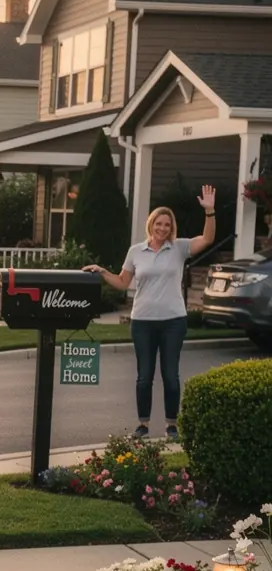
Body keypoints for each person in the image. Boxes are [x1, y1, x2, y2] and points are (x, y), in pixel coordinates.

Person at [83, 185, 216, 440]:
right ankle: (143, 424)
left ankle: (171, 425)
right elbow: (123, 282)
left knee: (170, 375)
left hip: (173, 322)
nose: (163, 228)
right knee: (144, 377)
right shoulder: (136, 251)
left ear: (171, 227)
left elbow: (207, 239)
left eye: (167, 225)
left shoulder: (179, 248)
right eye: (159, 223)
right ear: (151, 224)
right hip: (142, 322)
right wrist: (101, 271)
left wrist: (209, 212)